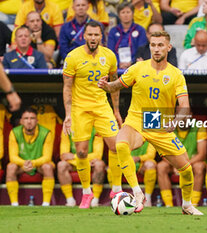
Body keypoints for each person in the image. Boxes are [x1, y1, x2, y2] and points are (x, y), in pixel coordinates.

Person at [98, 30, 203, 215]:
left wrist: (176, 121)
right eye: (153, 45)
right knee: (120, 145)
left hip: (160, 125)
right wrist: (107, 86)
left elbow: (185, 106)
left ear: (168, 47)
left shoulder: (176, 75)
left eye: (160, 45)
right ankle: (137, 193)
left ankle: (187, 205)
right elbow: (118, 85)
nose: (156, 49)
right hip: (136, 120)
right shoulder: (137, 68)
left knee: (186, 169)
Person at [62, 21, 123, 209]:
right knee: (81, 152)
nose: (93, 38)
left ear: (101, 36)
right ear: (84, 36)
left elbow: (114, 84)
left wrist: (116, 110)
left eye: (96, 35)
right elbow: (67, 87)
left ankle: (116, 188)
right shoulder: (73, 57)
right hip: (80, 109)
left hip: (102, 107)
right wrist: (68, 114)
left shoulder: (110, 56)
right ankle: (86, 193)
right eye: (90, 34)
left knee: (116, 147)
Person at [6, 107, 54, 206]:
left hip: (39, 164)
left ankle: (46, 203)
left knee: (48, 167)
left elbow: (47, 157)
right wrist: (24, 163)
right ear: (21, 121)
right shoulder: (14, 132)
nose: (29, 121)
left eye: (32, 118)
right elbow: (13, 157)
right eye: (26, 118)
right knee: (10, 167)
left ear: (37, 121)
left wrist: (33, 163)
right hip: (22, 165)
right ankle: (14, 204)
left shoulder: (46, 133)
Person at [158, 117, 207, 207]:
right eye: (181, 115)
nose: (184, 118)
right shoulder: (169, 127)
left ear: (191, 115)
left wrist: (183, 165)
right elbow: (163, 152)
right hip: (173, 162)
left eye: (187, 115)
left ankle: (194, 203)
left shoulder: (199, 127)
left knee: (199, 167)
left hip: (192, 162)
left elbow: (202, 154)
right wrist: (176, 164)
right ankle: (168, 204)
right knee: (161, 166)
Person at [58, 127, 105, 207]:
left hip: (90, 163)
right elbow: (64, 155)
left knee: (99, 164)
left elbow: (98, 154)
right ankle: (70, 200)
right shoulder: (67, 128)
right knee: (61, 165)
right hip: (75, 163)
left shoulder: (96, 129)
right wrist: (81, 161)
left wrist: (75, 157)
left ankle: (95, 200)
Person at [107, 1, 148, 69]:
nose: (126, 15)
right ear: (119, 15)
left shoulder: (140, 30)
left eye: (128, 12)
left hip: (135, 66)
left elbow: (141, 50)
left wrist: (131, 62)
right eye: (123, 12)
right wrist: (118, 62)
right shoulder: (113, 31)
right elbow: (111, 51)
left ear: (133, 13)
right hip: (117, 66)